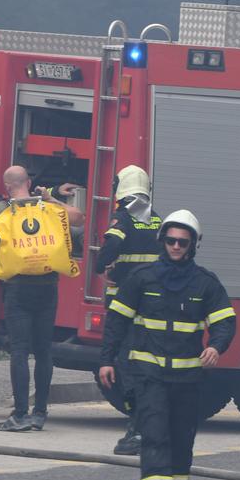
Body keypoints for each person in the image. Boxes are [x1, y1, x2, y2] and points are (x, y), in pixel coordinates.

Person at [97, 210, 236, 480]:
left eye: (182, 242)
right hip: (150, 377)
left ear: (192, 246)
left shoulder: (205, 283)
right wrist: (106, 360)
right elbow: (116, 321)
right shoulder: (143, 279)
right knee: (155, 437)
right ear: (163, 241)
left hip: (187, 380)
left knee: (181, 443)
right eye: (171, 240)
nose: (176, 247)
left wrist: (216, 346)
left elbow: (225, 322)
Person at [0, 165, 83, 433]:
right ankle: (40, 413)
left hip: (17, 289)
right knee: (43, 351)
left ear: (6, 186)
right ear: (28, 182)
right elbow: (78, 217)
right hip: (48, 287)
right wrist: (51, 198)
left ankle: (19, 415)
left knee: (19, 351)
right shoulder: (46, 207)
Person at [95, 165, 162, 456]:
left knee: (126, 364)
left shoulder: (125, 217)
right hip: (151, 305)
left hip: (124, 304)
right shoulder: (155, 219)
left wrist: (101, 267)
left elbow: (111, 247)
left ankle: (137, 429)